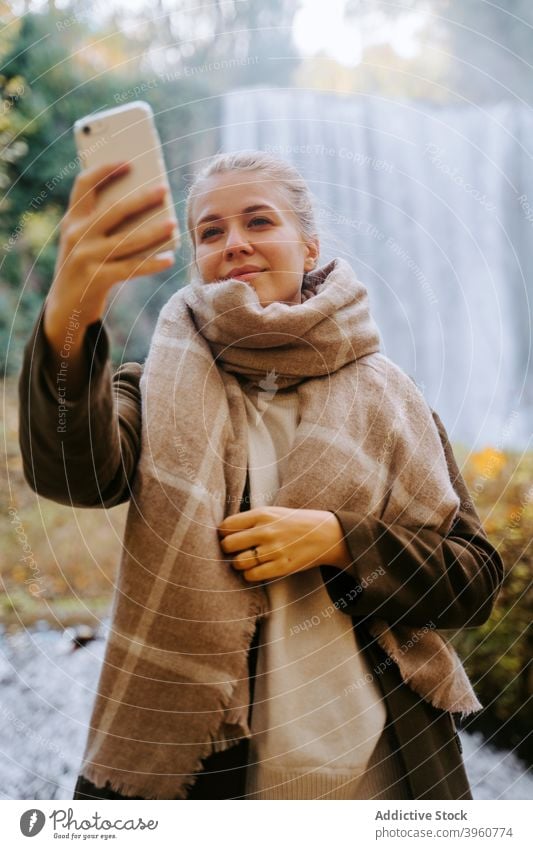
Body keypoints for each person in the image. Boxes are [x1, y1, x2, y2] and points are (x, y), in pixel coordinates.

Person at [18, 150, 503, 801]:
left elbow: (472, 580)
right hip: (213, 779)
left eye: (258, 221)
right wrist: (70, 310)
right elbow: (74, 474)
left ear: (308, 246)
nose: (235, 244)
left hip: (382, 775)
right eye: (211, 232)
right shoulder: (157, 386)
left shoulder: (391, 395)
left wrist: (338, 540)